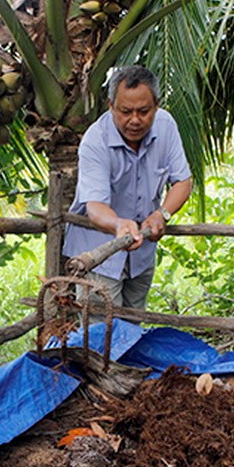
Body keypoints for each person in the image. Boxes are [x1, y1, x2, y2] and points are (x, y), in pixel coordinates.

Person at [62, 65, 192, 311]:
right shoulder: (95, 140)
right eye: (125, 111)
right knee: (102, 336)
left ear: (157, 104)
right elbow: (96, 207)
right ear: (110, 105)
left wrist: (161, 214)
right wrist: (118, 224)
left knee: (132, 327)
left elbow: (183, 181)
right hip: (99, 254)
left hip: (141, 255)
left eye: (144, 111)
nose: (135, 120)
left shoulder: (166, 126)